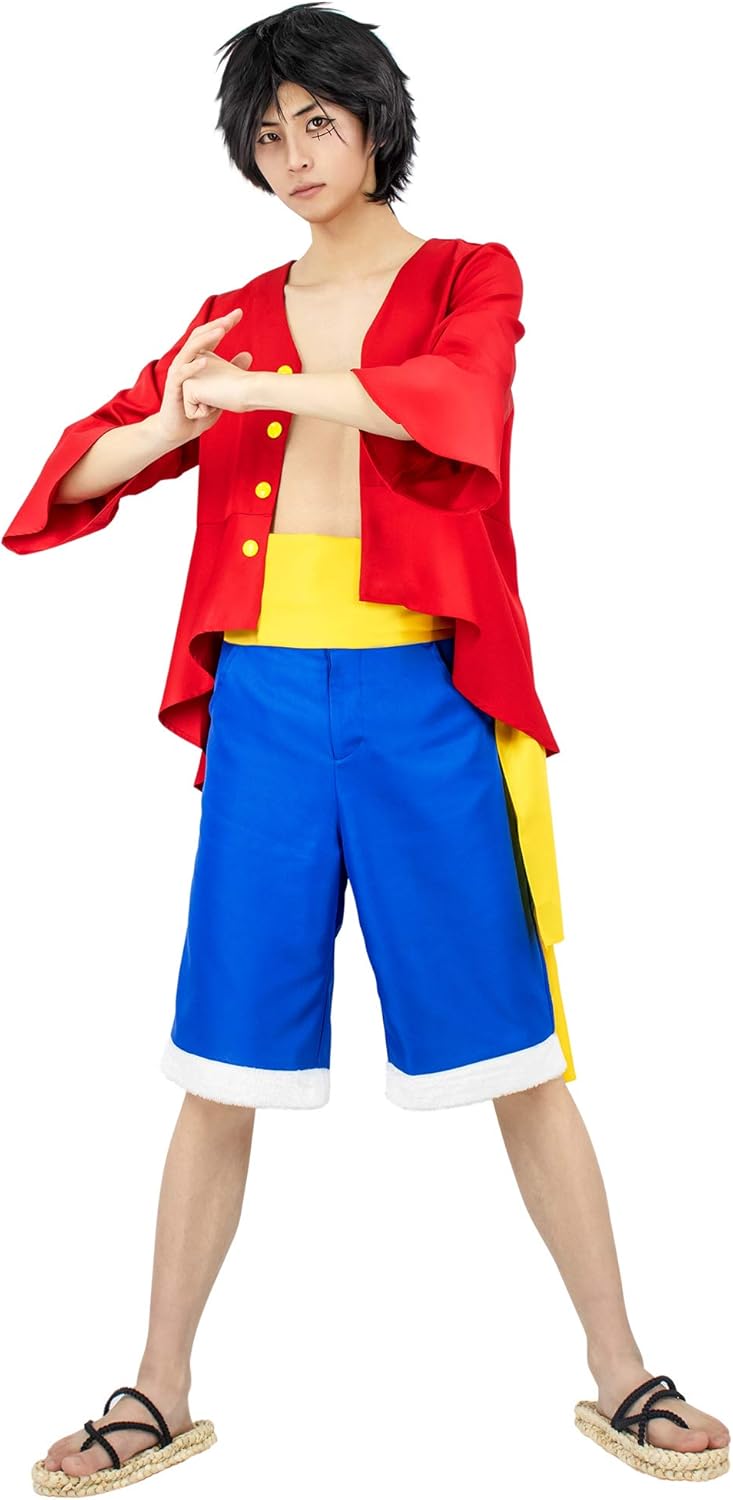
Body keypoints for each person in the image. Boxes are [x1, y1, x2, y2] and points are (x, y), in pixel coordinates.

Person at [6, 4, 728, 1492]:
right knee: (218, 1057)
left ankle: (621, 1370)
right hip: (267, 709)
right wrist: (173, 420)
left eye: (316, 122)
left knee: (521, 1051)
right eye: (267, 134)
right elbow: (73, 476)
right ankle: (157, 1388)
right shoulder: (233, 312)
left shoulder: (467, 273)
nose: (292, 155)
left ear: (374, 123)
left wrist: (254, 393)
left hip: (422, 705)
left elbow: (457, 406)